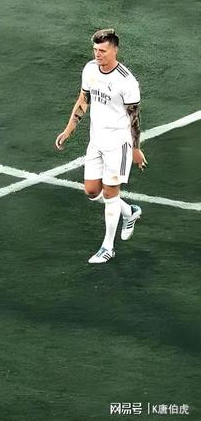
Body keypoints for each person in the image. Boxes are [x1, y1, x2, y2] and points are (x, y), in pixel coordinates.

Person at [55, 29, 147, 264]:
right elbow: (83, 100)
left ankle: (108, 247)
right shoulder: (89, 70)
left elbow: (134, 118)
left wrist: (136, 148)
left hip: (118, 145)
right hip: (96, 142)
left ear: (115, 50)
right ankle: (129, 212)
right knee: (91, 192)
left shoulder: (126, 81)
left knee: (110, 193)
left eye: (103, 51)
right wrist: (68, 130)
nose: (98, 54)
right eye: (95, 50)